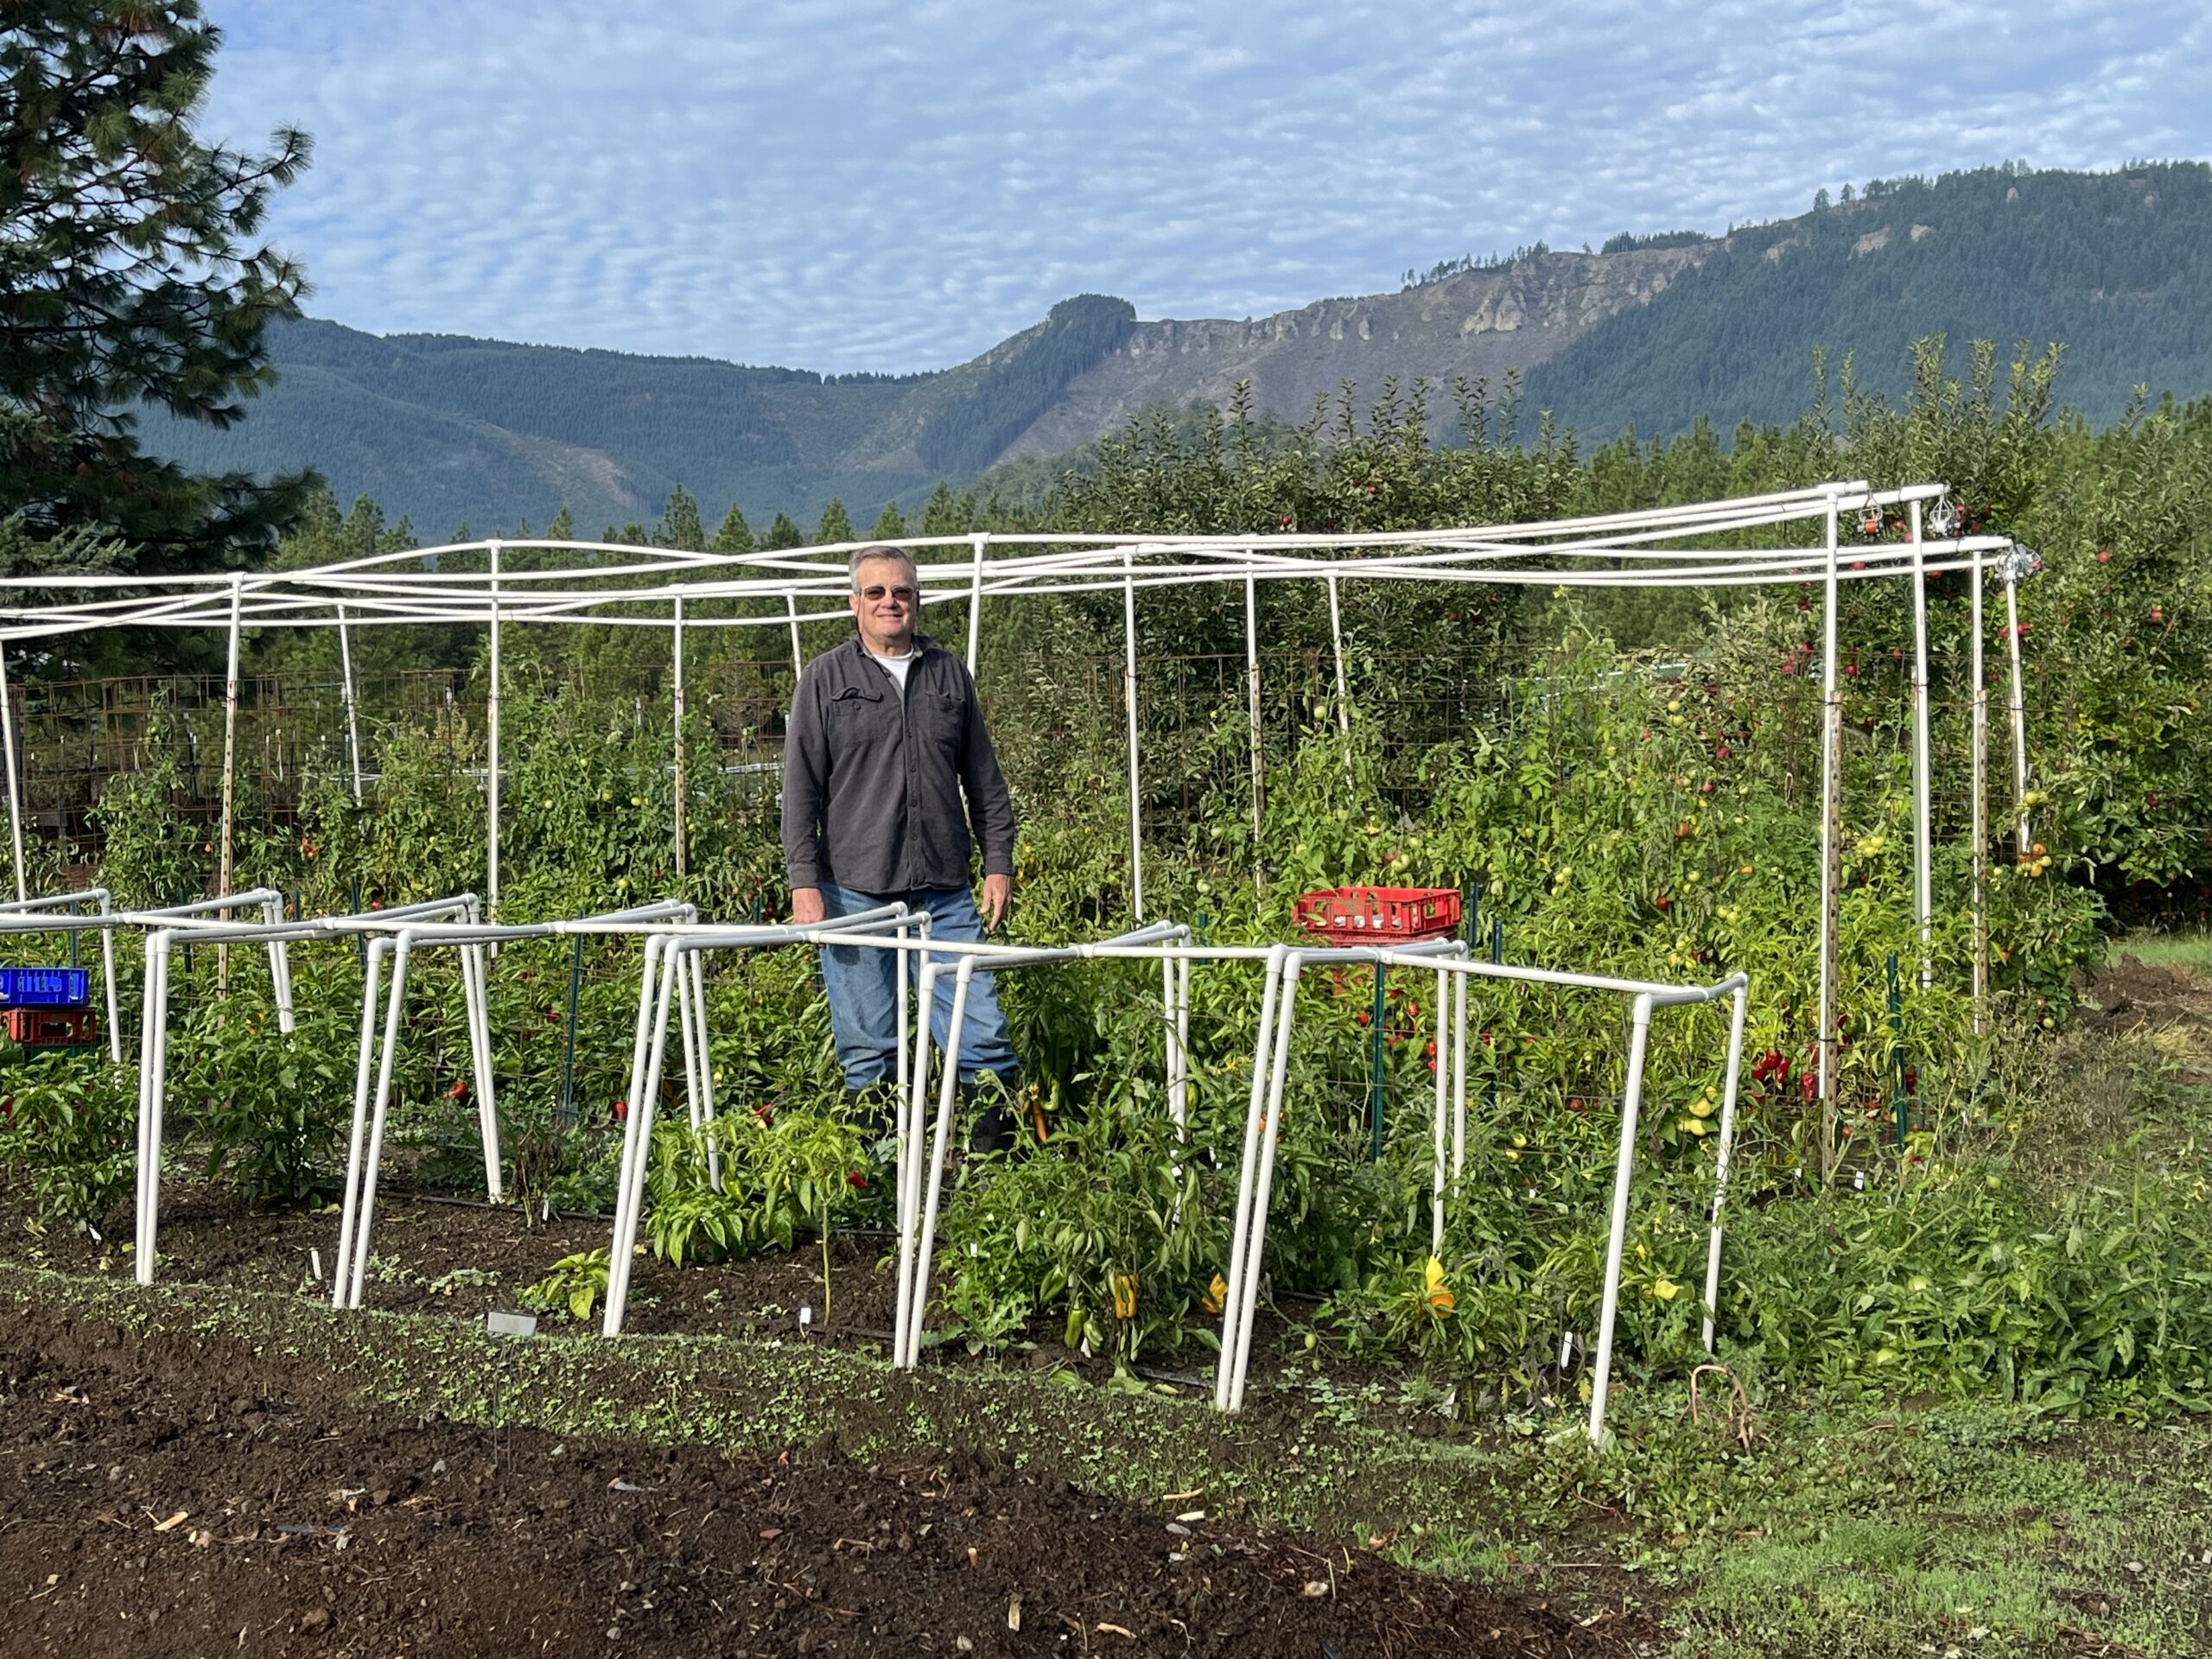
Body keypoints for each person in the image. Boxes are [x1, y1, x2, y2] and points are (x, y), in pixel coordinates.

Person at [782, 543, 1024, 1151]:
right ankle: (882, 1178)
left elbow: (984, 780)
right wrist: (803, 882)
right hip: (853, 888)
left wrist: (998, 862)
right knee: (868, 1046)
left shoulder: (948, 675)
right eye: (876, 592)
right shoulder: (826, 679)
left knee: (982, 1032)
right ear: (854, 603)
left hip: (943, 888)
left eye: (902, 592)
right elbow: (800, 789)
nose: (890, 602)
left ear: (917, 600)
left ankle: (994, 1180)